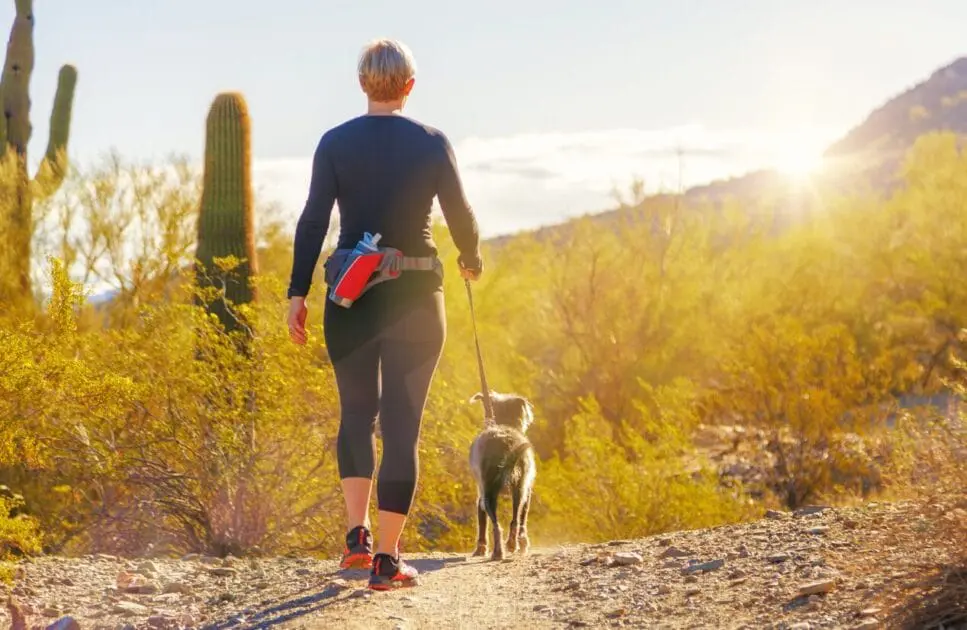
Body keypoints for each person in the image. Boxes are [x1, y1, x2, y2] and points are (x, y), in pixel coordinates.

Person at [286, 38, 483, 591]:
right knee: (401, 426)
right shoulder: (431, 142)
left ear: (362, 83)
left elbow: (312, 220)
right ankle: (387, 562)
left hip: (349, 297)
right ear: (410, 86)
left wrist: (297, 292)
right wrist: (470, 259)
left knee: (355, 414)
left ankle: (356, 539)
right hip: (417, 296)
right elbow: (460, 213)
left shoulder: (334, 142)